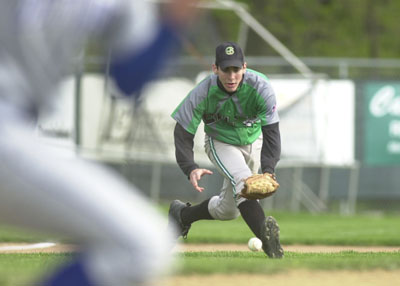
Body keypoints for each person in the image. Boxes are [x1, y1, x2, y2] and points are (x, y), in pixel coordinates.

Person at [0, 0, 197, 285]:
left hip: (14, 130)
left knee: (140, 246)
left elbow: (127, 80)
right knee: (141, 246)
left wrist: (173, 21)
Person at [168, 41, 284, 258]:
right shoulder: (203, 92)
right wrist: (190, 167)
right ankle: (271, 246)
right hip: (221, 143)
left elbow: (272, 132)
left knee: (228, 211)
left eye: (236, 69)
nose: (231, 76)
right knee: (243, 181)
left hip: (253, 141)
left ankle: (182, 215)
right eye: (225, 69)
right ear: (215, 68)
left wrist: (269, 168)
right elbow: (183, 133)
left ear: (244, 67)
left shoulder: (261, 87)